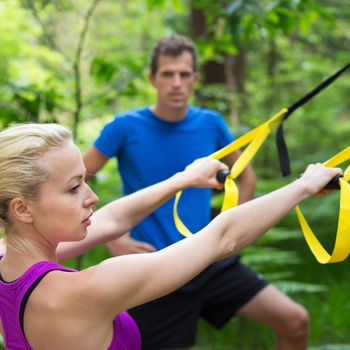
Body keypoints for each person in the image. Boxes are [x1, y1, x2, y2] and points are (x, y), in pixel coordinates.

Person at [0, 124, 341, 350]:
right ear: (22, 209)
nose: (92, 197)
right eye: (74, 188)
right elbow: (223, 238)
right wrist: (304, 186)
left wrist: (183, 179)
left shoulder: (8, 260)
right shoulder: (87, 290)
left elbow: (113, 219)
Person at [83, 35, 310, 350]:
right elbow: (75, 180)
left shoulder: (211, 123)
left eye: (184, 74)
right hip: (153, 268)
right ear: (153, 79)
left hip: (208, 260)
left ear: (195, 79)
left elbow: (247, 179)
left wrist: (230, 228)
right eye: (167, 74)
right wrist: (110, 237)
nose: (176, 82)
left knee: (295, 321)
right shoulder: (124, 127)